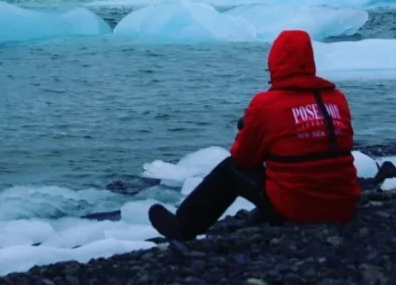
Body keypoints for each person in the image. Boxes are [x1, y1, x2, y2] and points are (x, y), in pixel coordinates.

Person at [149, 29, 360, 241]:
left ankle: (184, 227)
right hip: (343, 205)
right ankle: (263, 217)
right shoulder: (337, 98)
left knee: (230, 170)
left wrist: (249, 129)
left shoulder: (266, 104)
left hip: (299, 207)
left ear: (275, 62)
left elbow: (244, 158)